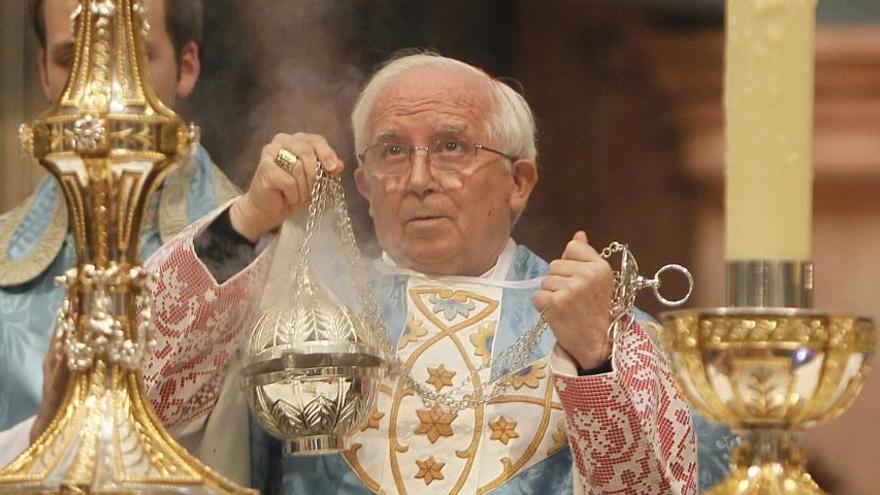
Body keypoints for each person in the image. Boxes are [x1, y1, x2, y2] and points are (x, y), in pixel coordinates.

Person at [140, 52, 704, 493]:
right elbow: (144, 396)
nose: (419, 178)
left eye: (451, 146)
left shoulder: (594, 323)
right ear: (362, 184)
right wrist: (249, 218)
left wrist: (594, 362)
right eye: (391, 151)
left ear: (519, 181)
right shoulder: (301, 308)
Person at [0, 0, 238, 449]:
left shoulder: (268, 255)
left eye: (131, 57)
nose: (104, 89)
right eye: (72, 60)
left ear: (186, 67)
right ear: (45, 75)